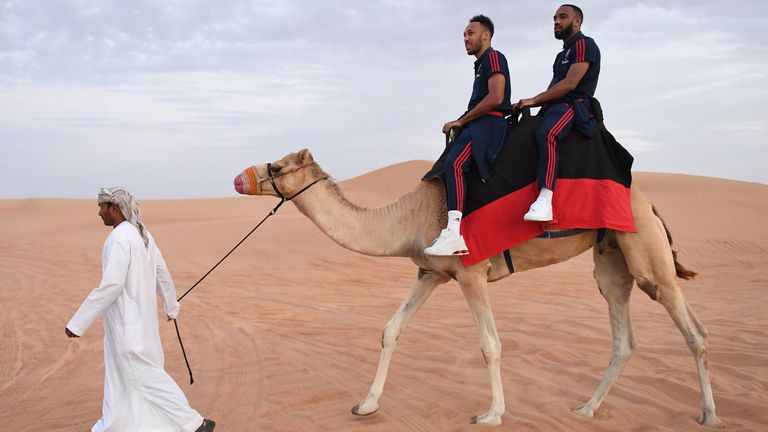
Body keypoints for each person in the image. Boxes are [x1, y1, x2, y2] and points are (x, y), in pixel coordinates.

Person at [65, 187, 215, 432]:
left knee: (145, 377)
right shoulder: (142, 234)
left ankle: (194, 423)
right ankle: (115, 425)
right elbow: (161, 271)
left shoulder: (120, 238)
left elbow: (112, 284)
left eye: (102, 207)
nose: (99, 212)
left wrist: (77, 323)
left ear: (115, 208)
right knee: (121, 380)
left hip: (128, 328)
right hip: (140, 326)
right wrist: (171, 305)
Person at [425, 14, 512, 256]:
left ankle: (454, 233)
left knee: (455, 163)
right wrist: (458, 122)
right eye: (464, 34)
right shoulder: (481, 65)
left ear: (486, 36)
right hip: (478, 124)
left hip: (488, 125)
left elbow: (496, 97)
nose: (465, 38)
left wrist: (462, 121)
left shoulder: (494, 57)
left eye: (470, 33)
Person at [513, 4, 601, 222]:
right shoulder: (561, 54)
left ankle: (545, 198)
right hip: (556, 105)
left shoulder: (584, 44)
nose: (557, 22)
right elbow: (553, 87)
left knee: (547, 133)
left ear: (577, 22)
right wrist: (532, 106)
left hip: (574, 105)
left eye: (562, 17)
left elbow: (570, 84)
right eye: (554, 18)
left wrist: (534, 99)